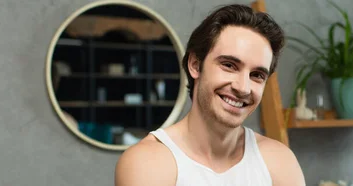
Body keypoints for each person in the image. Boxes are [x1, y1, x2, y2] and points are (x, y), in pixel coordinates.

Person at [115, 4, 305, 186]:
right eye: (229, 66)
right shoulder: (148, 163)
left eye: (257, 75)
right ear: (195, 65)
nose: (243, 88)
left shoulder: (279, 161)